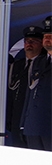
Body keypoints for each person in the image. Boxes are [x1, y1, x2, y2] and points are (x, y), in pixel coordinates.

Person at [8, 26, 44, 147]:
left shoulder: (44, 64)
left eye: (34, 41)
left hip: (34, 119)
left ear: (41, 44)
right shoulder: (17, 65)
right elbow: (10, 93)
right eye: (27, 41)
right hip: (16, 116)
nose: (29, 44)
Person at [20, 22, 52, 151]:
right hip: (33, 124)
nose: (47, 39)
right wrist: (23, 123)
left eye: (51, 36)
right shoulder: (39, 62)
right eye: (45, 36)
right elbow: (30, 94)